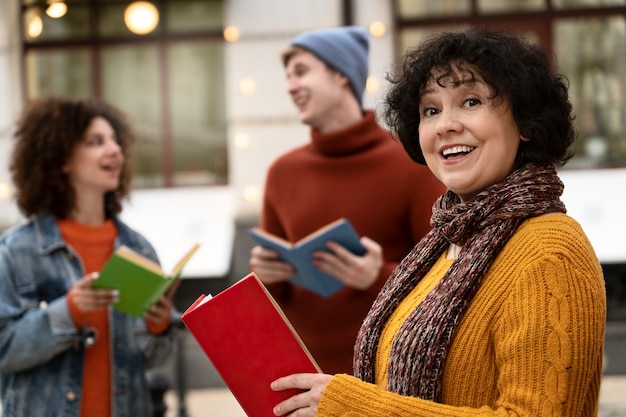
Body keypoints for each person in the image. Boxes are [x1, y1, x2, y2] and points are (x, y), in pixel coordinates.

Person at [269, 30, 606, 416]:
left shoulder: (550, 250)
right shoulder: (443, 243)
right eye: (431, 110)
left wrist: (351, 407)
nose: (446, 124)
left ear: (526, 121)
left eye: (471, 101)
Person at [248, 26, 445, 374]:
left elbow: (446, 278)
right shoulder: (282, 172)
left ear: (341, 75)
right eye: (288, 75)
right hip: (302, 377)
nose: (290, 86)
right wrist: (264, 276)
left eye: (301, 72)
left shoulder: (412, 165)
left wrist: (378, 276)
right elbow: (270, 297)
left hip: (385, 378)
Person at [0, 97, 174, 417]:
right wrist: (69, 310)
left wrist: (158, 327)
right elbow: (4, 349)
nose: (115, 150)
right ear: (61, 158)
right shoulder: (15, 251)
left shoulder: (139, 250)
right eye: (96, 142)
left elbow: (154, 360)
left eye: (115, 141)